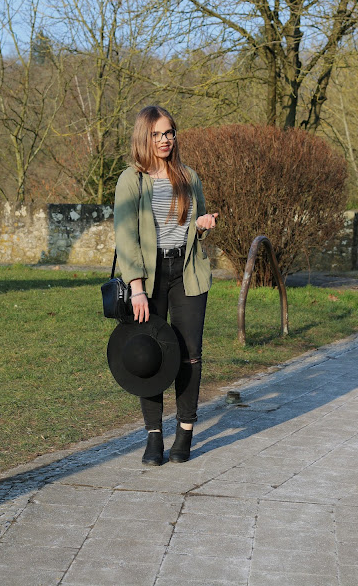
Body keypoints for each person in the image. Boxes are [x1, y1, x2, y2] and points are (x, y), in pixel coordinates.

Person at [114, 105, 218, 465]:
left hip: (187, 271)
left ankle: (185, 432)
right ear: (144, 137)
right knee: (150, 353)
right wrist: (137, 288)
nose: (164, 140)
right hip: (149, 276)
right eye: (157, 134)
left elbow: (196, 223)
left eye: (169, 132)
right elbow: (125, 237)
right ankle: (154, 436)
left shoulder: (189, 176)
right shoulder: (131, 180)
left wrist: (202, 225)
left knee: (190, 353)